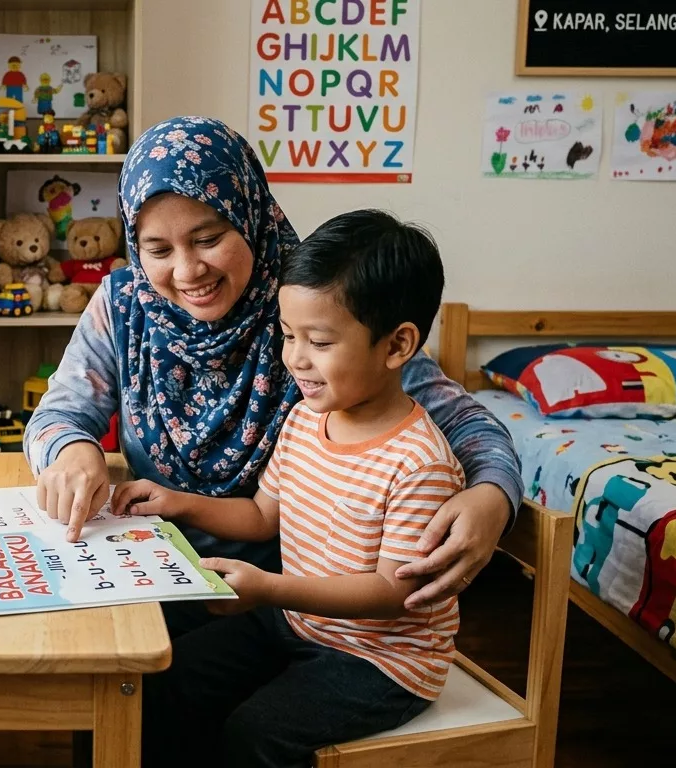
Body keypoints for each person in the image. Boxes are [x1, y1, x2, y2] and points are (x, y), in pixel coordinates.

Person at [24, 117, 521, 628]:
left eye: (208, 238)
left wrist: (493, 497)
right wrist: (72, 451)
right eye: (157, 250)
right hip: (144, 566)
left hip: (285, 603)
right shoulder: (124, 304)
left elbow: (467, 427)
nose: (187, 270)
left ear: (250, 215)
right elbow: (59, 413)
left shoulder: (314, 306)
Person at [126, 209, 462, 766]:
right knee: (166, 678)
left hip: (380, 661)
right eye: (287, 335)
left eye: (320, 341)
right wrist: (179, 504)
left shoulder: (419, 463)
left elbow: (391, 594)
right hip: (298, 623)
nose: (295, 359)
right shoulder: (307, 418)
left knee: (256, 734)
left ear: (398, 345)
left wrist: (269, 589)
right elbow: (262, 517)